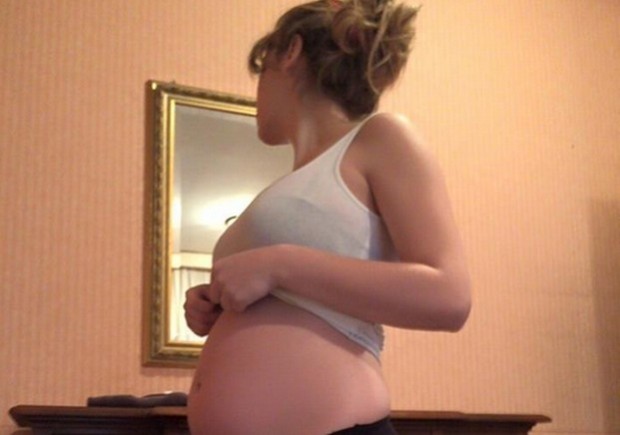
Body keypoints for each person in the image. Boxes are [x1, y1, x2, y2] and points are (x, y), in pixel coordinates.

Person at [184, 0, 471, 433]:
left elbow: (449, 297)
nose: (257, 93)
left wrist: (279, 265)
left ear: (290, 51)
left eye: (260, 72)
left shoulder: (381, 136)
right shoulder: (286, 189)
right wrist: (217, 306)